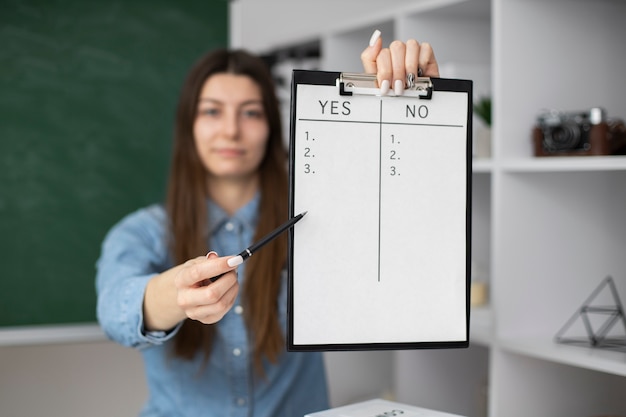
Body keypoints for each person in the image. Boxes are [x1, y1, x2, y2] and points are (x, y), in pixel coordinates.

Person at [96, 30, 439, 417]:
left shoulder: (322, 219)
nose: (230, 130)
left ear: (272, 127)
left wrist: (417, 111)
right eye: (212, 111)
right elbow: (114, 310)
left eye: (251, 112)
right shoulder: (143, 231)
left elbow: (406, 259)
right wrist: (176, 292)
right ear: (188, 127)